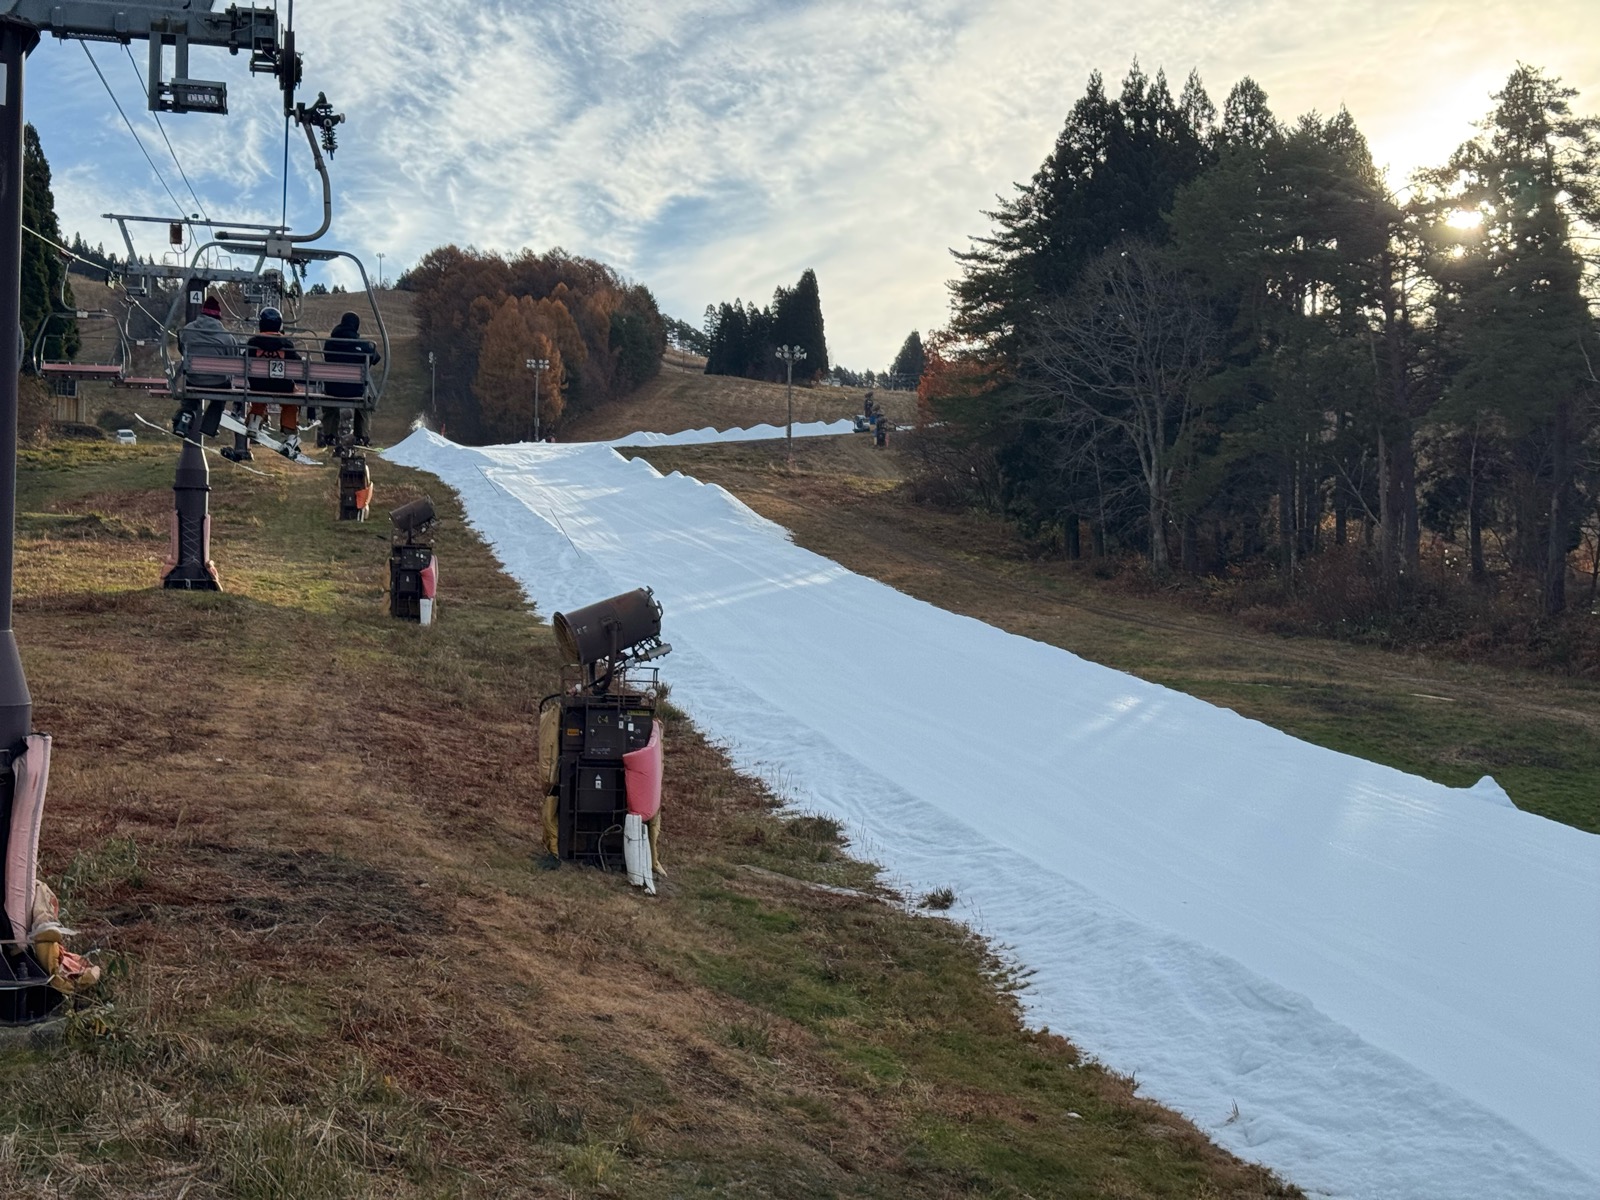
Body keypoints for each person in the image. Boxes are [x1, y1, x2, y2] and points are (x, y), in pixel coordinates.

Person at [245, 306, 303, 456]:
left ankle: (254, 421)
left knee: (258, 392)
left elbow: (243, 363)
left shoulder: (253, 343)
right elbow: (297, 365)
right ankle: (290, 433)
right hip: (282, 386)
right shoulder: (286, 344)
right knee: (291, 401)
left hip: (259, 385)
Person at [321, 311, 382, 447]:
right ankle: (362, 436)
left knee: (330, 406)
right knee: (364, 405)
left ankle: (330, 434)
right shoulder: (363, 345)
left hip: (333, 389)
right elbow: (376, 358)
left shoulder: (329, 344)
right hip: (355, 390)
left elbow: (327, 357)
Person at [178, 295, 237, 390]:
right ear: (218, 316)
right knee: (222, 393)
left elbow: (182, 350)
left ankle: (190, 405)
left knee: (189, 395)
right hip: (219, 382)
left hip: (194, 380)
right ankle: (216, 405)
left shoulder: (187, 331)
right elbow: (233, 358)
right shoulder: (227, 337)